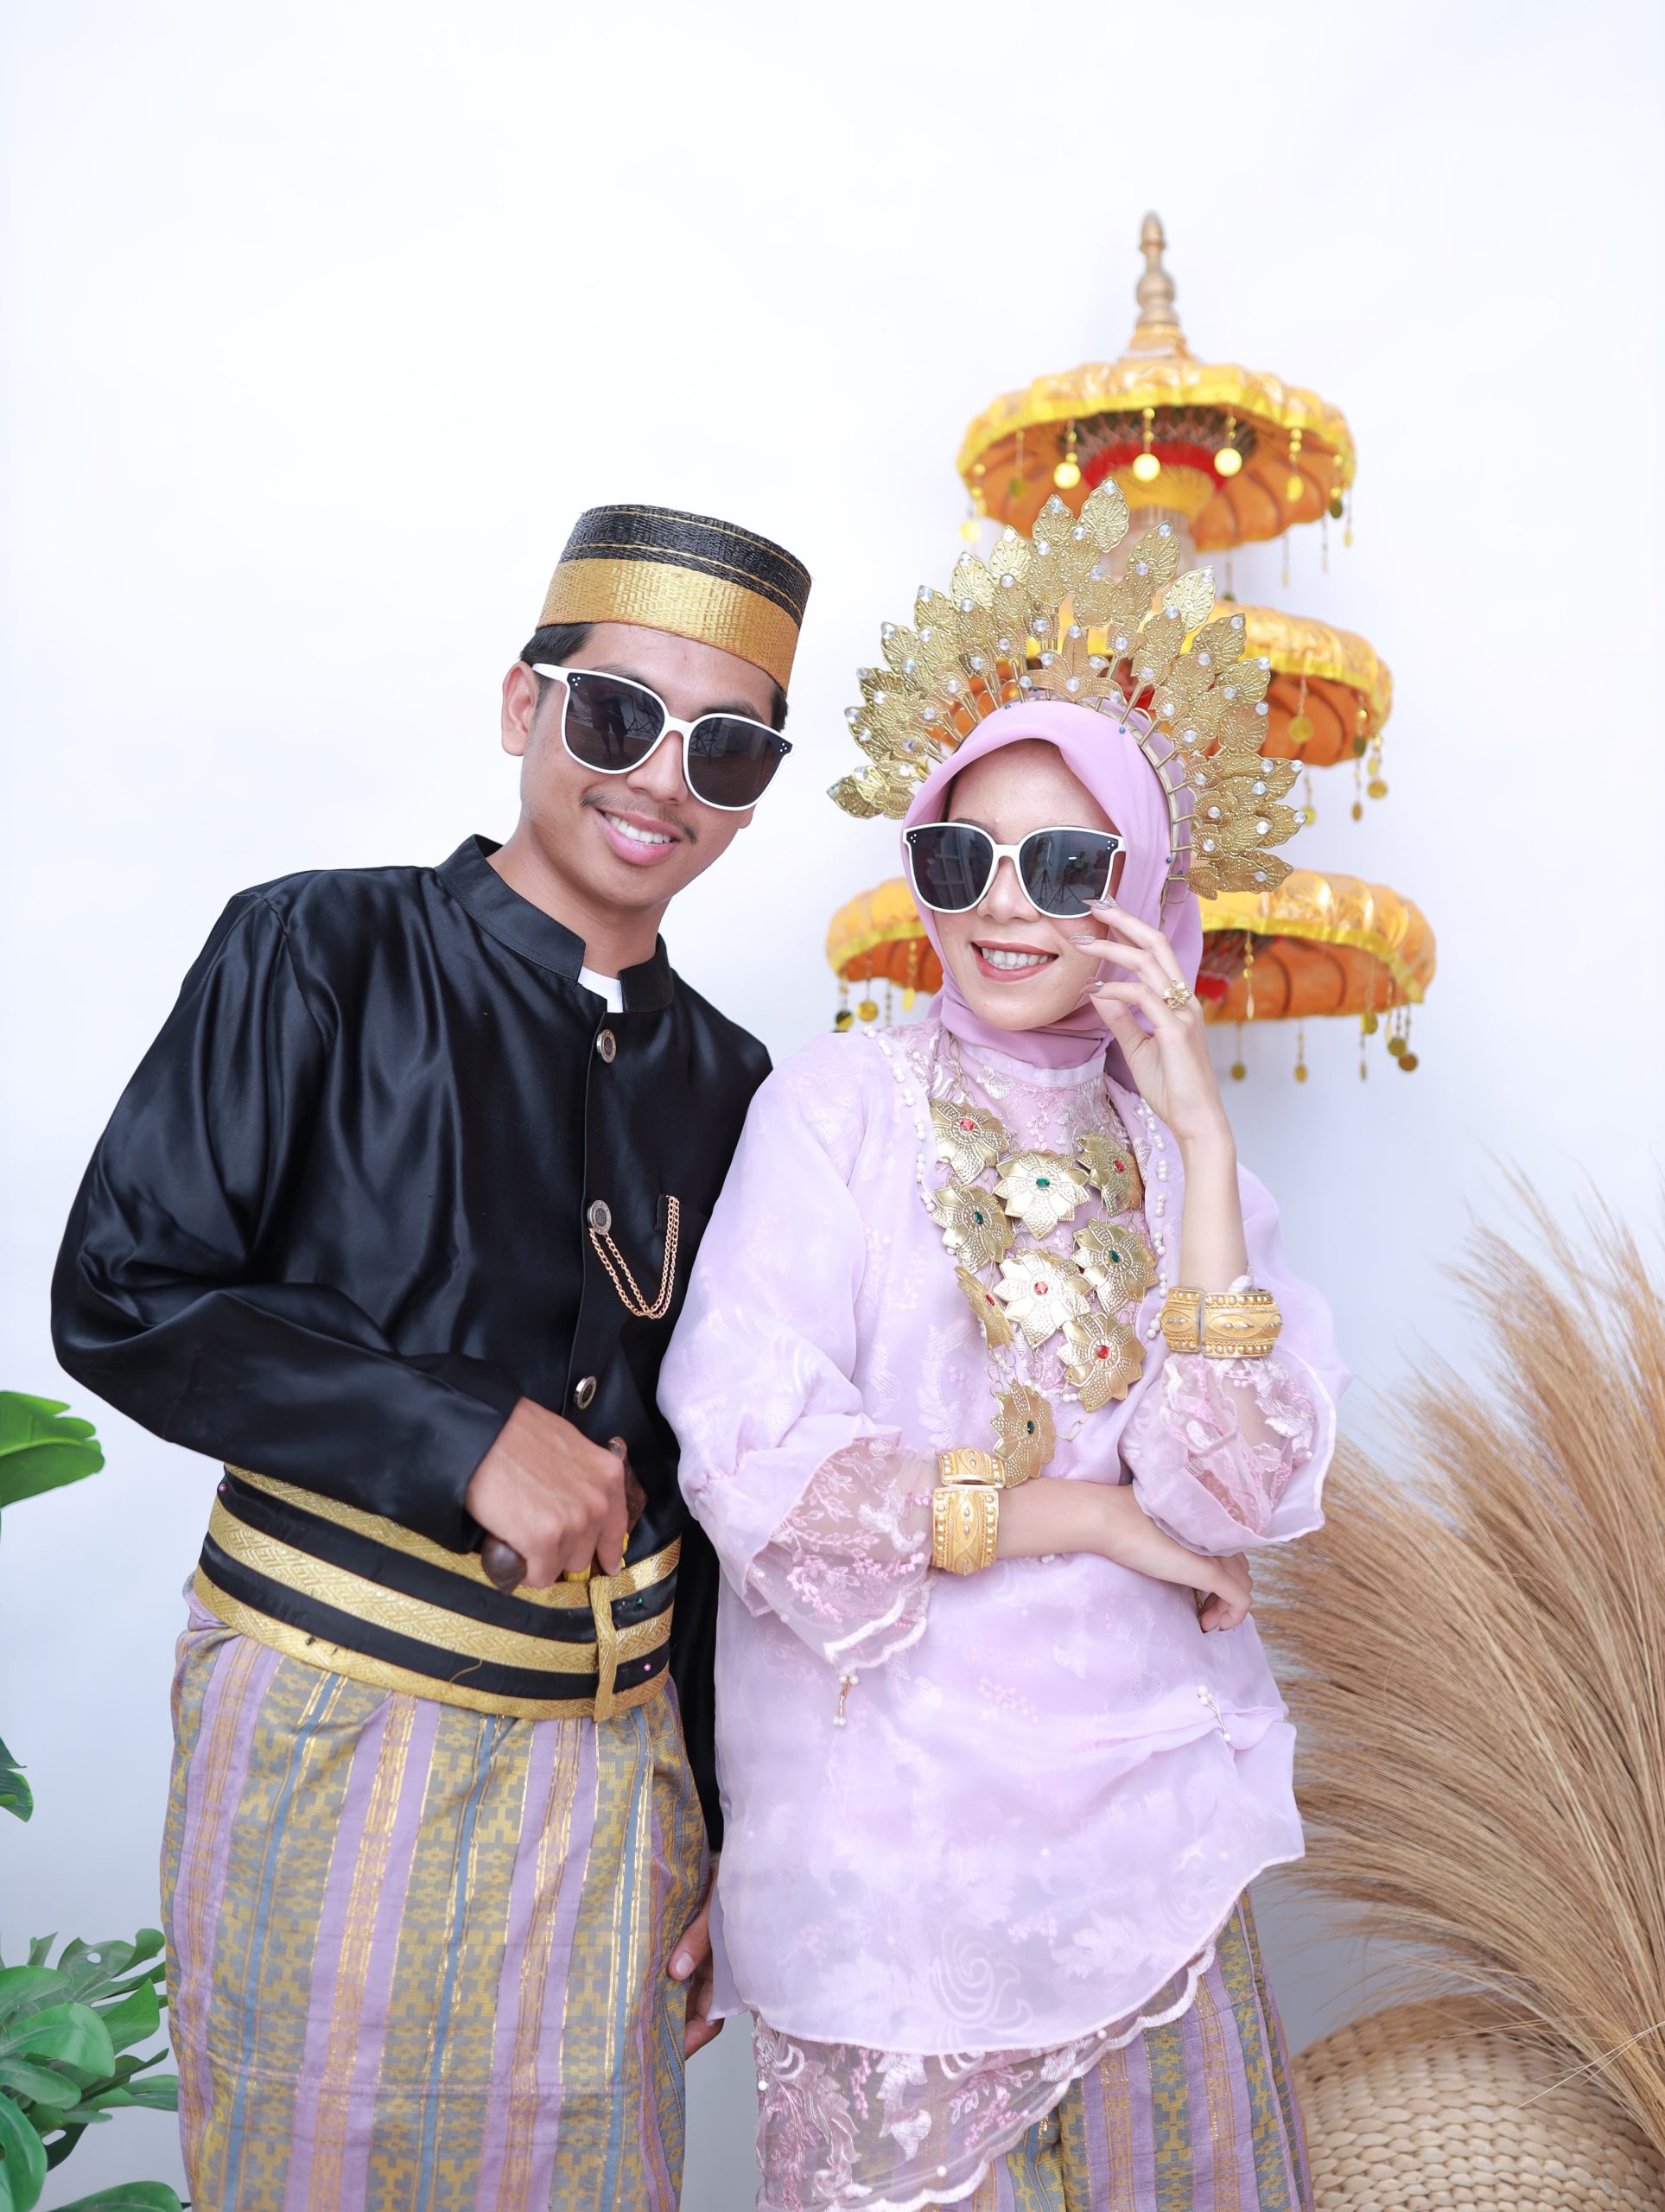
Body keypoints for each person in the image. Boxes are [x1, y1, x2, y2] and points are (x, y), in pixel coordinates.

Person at [51, 501, 811, 2211]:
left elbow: (713, 1481)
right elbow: (122, 1288)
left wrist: (731, 1823)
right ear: (522, 702)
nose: (663, 779)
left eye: (728, 747)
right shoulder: (316, 950)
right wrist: (458, 1431)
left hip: (620, 1783)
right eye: (619, 714)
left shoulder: (736, 1083)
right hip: (335, 1730)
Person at [660, 489, 1345, 2209]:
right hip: (886, 1850)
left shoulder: (1184, 1166)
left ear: (1149, 890)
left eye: (1069, 865)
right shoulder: (835, 1112)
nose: (1006, 906)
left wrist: (1196, 1134)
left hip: (1149, 1838)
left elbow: (1230, 1492)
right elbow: (750, 1449)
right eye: (960, 859)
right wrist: (1083, 1516)